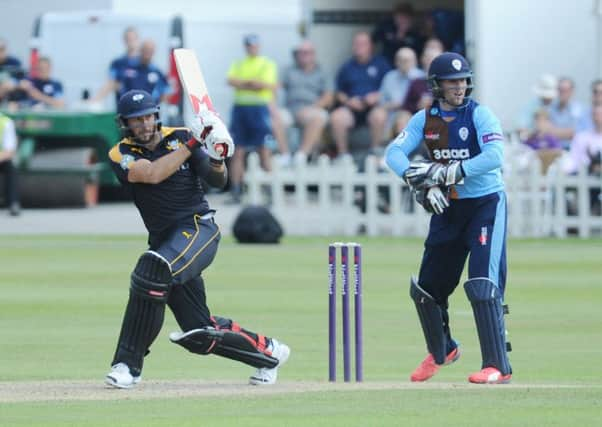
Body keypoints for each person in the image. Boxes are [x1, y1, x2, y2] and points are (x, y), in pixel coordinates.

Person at [104, 89, 290, 388]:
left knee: (151, 269)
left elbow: (217, 179)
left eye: (148, 117)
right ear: (124, 123)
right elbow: (151, 174)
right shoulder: (121, 153)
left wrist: (217, 156)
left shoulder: (179, 136)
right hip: (167, 243)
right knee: (200, 333)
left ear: (156, 115)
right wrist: (194, 142)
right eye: (136, 120)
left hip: (198, 229)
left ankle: (127, 366)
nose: (144, 124)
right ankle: (268, 353)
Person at [385, 52, 512, 384]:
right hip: (448, 207)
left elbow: (495, 156)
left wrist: (457, 170)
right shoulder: (424, 120)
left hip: (485, 204)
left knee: (483, 284)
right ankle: (443, 350)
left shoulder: (480, 116)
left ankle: (497, 365)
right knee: (427, 289)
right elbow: (394, 154)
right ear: (436, 85)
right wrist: (421, 182)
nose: (458, 86)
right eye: (451, 81)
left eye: (462, 80)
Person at [226, 34, 277, 202]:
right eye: (249, 45)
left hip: (258, 110)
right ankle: (236, 190)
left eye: (254, 45)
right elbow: (231, 80)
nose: (251, 48)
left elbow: (266, 84)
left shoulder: (266, 63)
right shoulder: (239, 63)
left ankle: (269, 190)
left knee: (264, 150)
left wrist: (244, 83)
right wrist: (252, 84)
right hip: (241, 109)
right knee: (237, 151)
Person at [330, 31, 391, 158]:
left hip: (374, 106)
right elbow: (339, 92)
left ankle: (375, 153)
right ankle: (343, 155)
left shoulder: (381, 64)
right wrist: (348, 101)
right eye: (356, 44)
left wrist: (376, 96)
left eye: (363, 44)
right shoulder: (347, 67)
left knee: (379, 115)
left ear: (370, 46)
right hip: (352, 107)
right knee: (337, 117)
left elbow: (389, 88)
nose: (359, 46)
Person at [281, 39, 333, 161]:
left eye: (307, 52)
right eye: (301, 52)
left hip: (310, 108)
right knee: (275, 116)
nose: (304, 55)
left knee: (319, 117)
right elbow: (276, 88)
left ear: (313, 54)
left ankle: (302, 155)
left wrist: (313, 107)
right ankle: (284, 155)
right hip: (289, 108)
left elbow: (329, 97)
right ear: (297, 54)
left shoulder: (322, 72)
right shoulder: (288, 70)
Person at [369, 47, 424, 145]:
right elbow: (381, 101)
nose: (404, 63)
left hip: (411, 113)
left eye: (407, 60)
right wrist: (391, 105)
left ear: (415, 61)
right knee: (377, 114)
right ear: (396, 62)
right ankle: (376, 150)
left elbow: (423, 102)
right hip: (390, 112)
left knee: (403, 119)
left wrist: (403, 105)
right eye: (401, 60)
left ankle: (404, 154)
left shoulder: (421, 77)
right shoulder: (389, 77)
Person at [90, 26, 140, 105]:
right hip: (124, 110)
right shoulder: (118, 63)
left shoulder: (145, 64)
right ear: (124, 41)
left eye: (133, 39)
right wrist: (96, 99)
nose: (131, 42)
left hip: (141, 109)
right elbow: (111, 84)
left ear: (138, 39)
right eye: (128, 39)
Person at [371, 2, 424, 67]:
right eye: (399, 16)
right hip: (387, 63)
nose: (401, 20)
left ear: (410, 19)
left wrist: (403, 34)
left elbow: (419, 52)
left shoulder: (416, 32)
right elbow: (373, 40)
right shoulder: (386, 26)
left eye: (405, 17)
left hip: (408, 65)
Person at [0, 112, 20, 216]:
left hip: (1, 159)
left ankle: (13, 203)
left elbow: (9, 150)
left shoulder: (5, 122)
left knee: (11, 168)